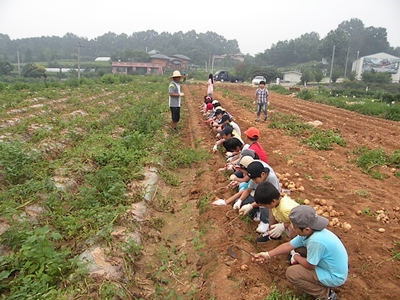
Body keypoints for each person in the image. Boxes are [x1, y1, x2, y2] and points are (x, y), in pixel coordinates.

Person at [252, 205, 348, 300]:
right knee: (299, 248)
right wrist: (267, 254)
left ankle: (326, 295)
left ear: (306, 229)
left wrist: (296, 256)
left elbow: (310, 265)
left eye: (294, 226)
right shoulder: (311, 231)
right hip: (331, 267)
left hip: (335, 276)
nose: (292, 227)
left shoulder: (315, 241)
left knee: (292, 273)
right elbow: (288, 245)